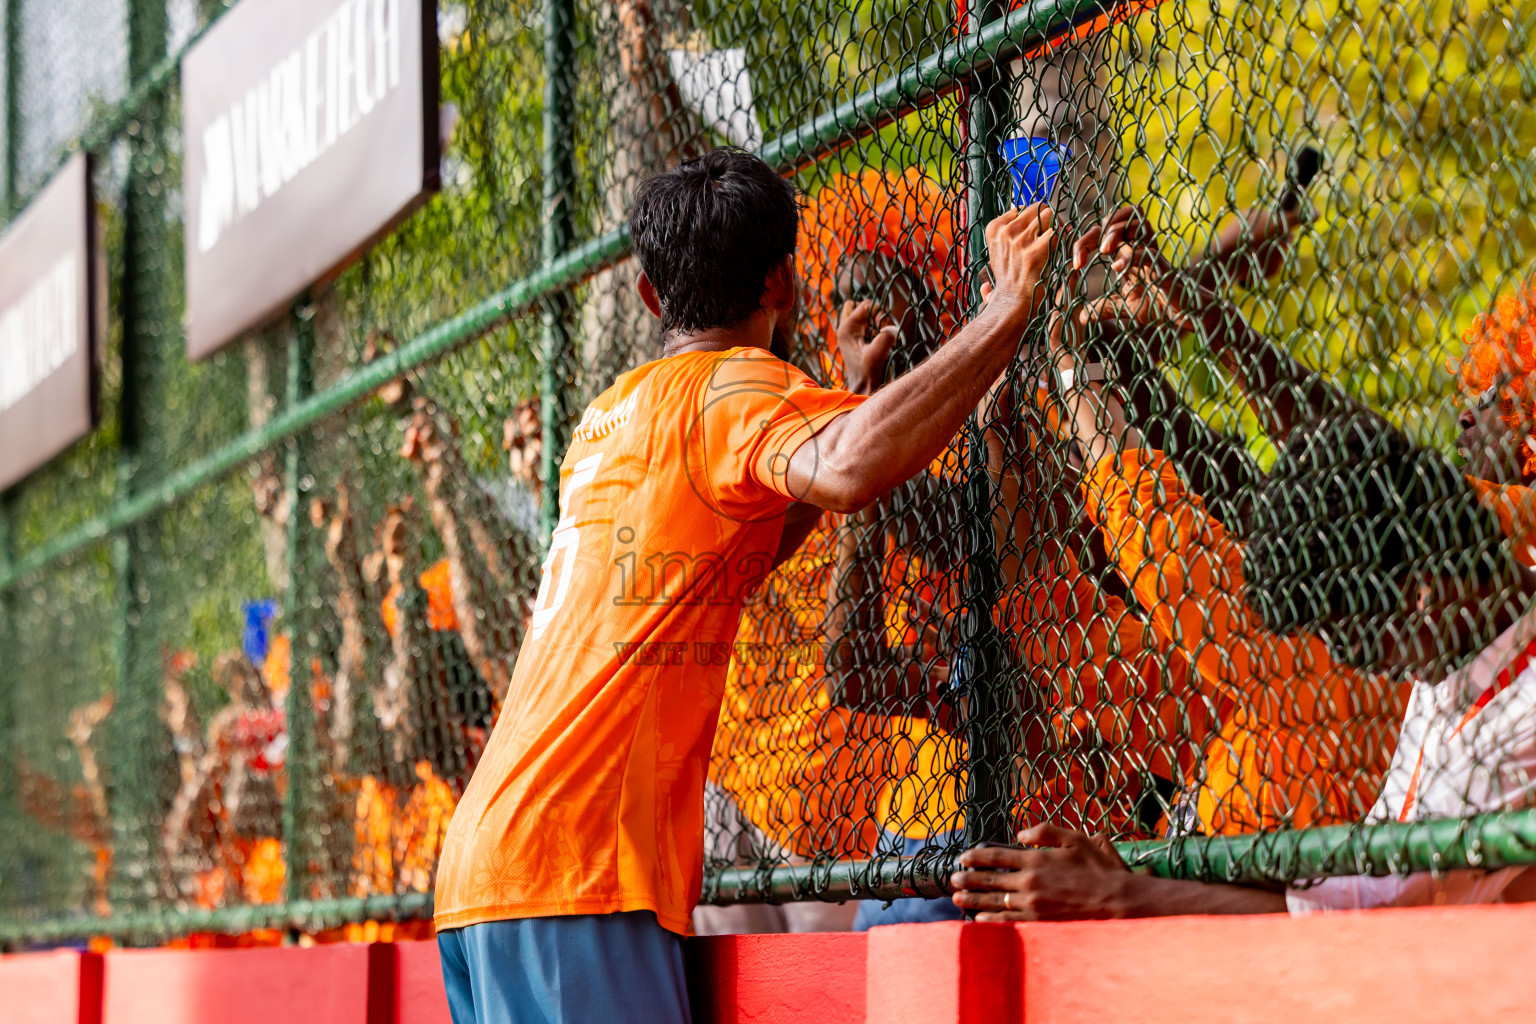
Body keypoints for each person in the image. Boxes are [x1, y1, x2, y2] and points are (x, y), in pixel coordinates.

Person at [432, 147, 1056, 1024]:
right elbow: (844, 470)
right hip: (579, 871)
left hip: (482, 867)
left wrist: (851, 399)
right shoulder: (740, 389)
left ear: (651, 297)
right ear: (783, 286)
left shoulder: (610, 418)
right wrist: (1004, 308)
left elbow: (743, 534)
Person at [950, 211, 1536, 917]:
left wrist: (1128, 895)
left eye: (1498, 399)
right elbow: (1324, 456)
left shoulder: (1503, 669)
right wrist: (1165, 322)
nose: (1466, 416)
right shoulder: (1445, 632)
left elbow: (1366, 911)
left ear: (1419, 594)